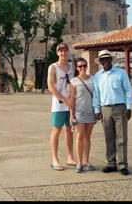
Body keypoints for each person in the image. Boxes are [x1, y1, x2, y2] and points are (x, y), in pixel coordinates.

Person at [93, 49, 132, 176]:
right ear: (100, 61)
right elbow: (96, 94)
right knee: (108, 137)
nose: (105, 61)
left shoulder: (121, 73)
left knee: (121, 137)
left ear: (111, 60)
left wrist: (129, 107)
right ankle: (111, 163)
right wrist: (96, 110)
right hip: (105, 109)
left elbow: (128, 90)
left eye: (107, 58)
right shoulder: (98, 76)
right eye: (102, 59)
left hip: (119, 107)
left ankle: (122, 164)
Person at [47, 42, 77, 171]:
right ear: (57, 53)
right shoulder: (53, 67)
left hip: (70, 103)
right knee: (56, 130)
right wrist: (64, 99)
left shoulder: (72, 66)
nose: (63, 53)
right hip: (59, 103)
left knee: (69, 130)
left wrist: (72, 100)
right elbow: (50, 87)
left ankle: (70, 157)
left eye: (65, 50)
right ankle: (55, 159)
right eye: (61, 51)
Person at [69, 57, 97, 173]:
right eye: (80, 66)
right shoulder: (74, 81)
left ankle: (87, 161)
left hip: (91, 110)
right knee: (79, 136)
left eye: (84, 66)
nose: (83, 68)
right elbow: (72, 99)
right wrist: (71, 115)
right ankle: (79, 163)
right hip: (79, 112)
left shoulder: (94, 79)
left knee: (87, 137)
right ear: (77, 68)